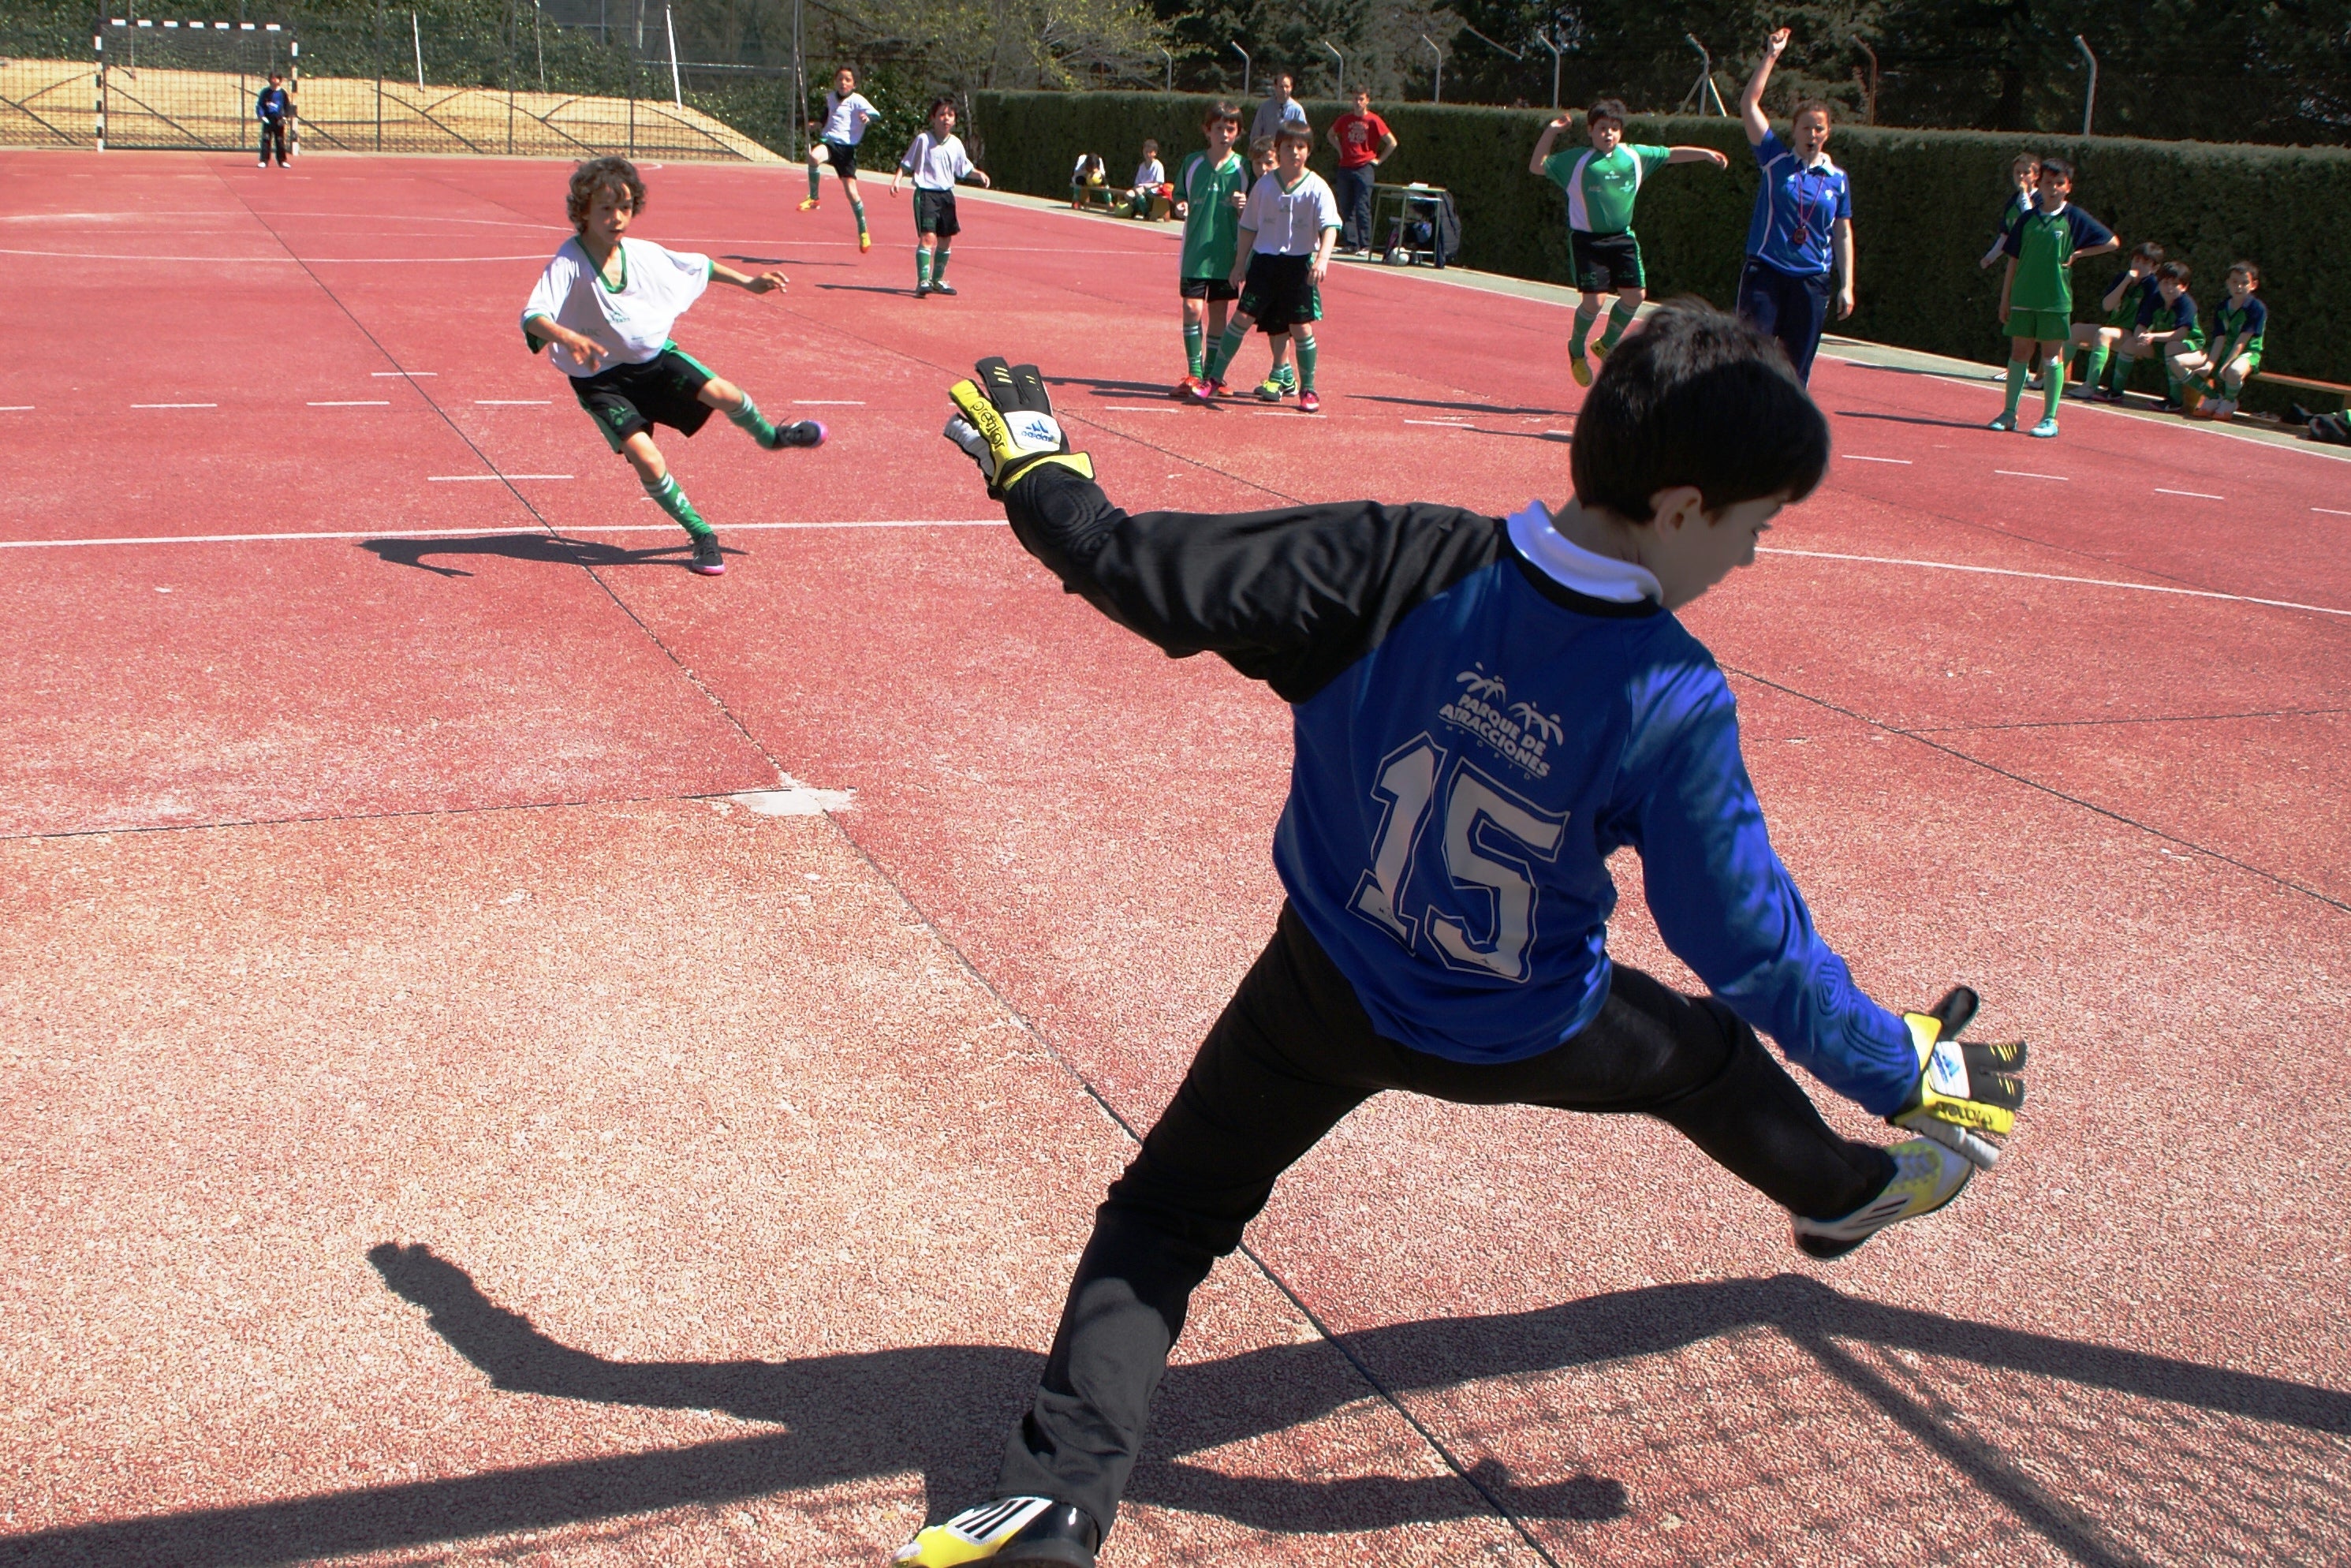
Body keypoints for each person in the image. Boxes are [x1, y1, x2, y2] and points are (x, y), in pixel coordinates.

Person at [904, 308, 2029, 1568]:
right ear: (1677, 505)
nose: (1753, 556)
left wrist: (1041, 470)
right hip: (1526, 1028)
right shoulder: (1668, 688)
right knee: (1705, 1056)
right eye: (1753, 525)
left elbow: (1130, 568)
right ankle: (1849, 1194)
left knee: (1167, 1216)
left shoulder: (1398, 559)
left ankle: (1052, 1510)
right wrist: (1900, 1069)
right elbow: (1754, 949)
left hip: (1323, 988)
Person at [522, 158, 825, 578]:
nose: (617, 218)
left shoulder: (642, 254)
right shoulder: (569, 260)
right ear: (583, 212)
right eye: (606, 209)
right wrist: (568, 336)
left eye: (625, 208)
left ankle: (772, 438)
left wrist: (749, 283)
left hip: (654, 362)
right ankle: (701, 533)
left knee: (727, 395)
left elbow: (700, 266)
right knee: (646, 459)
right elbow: (533, 316)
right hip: (602, 382)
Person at [1530, 99, 1728, 386]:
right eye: (1601, 128)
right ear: (1590, 131)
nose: (1608, 134)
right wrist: (1551, 131)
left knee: (1636, 295)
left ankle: (1606, 344)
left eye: (1614, 128)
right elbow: (1537, 166)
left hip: (1622, 239)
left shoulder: (1634, 156)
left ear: (1621, 132)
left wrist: (1706, 154)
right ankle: (1576, 348)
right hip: (1588, 240)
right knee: (1594, 300)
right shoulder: (1577, 161)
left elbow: (1671, 154)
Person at [1189, 123, 1340, 413]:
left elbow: (1330, 226)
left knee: (1300, 326)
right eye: (1287, 147)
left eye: (1300, 147)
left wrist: (1322, 258)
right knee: (1242, 318)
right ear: (1278, 150)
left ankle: (1308, 389)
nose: (1293, 153)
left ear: (1308, 151)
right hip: (1265, 263)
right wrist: (1239, 265)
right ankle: (1213, 379)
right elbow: (1248, 227)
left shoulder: (1317, 186)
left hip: (1299, 266)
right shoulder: (1265, 185)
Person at [1734, 28, 1853, 382]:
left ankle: (1782, 433)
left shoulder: (1838, 179)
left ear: (1827, 132)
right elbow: (1748, 105)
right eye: (1806, 128)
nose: (1812, 134)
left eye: (1819, 129)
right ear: (1795, 130)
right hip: (1766, 273)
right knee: (1747, 357)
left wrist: (1847, 284)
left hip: (1811, 281)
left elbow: (1842, 233)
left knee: (1795, 369)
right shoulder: (1774, 159)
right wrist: (1771, 55)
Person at [1990, 157, 2118, 436]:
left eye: (2060, 183)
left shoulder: (2073, 217)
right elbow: (2012, 259)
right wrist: (2005, 298)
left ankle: (2050, 418)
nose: (2054, 188)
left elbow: (2111, 242)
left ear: (2068, 187)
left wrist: (2078, 253)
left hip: (2055, 301)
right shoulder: (2026, 219)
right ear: (2040, 184)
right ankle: (2009, 413)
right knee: (2019, 353)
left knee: (2051, 356)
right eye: (2049, 183)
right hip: (2023, 298)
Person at [1173, 102, 1251, 398]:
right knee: (1193, 309)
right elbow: (1180, 195)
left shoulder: (1244, 168)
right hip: (1195, 253)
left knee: (1219, 314)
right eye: (1219, 128)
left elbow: (1254, 211)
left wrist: (1244, 208)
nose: (1225, 134)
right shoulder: (1192, 162)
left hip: (1225, 256)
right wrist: (1180, 205)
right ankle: (1193, 372)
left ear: (1238, 133)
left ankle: (1212, 374)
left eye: (1230, 129)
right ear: (1207, 130)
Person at [891, 97, 991, 297]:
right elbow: (907, 163)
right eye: (941, 115)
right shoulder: (923, 139)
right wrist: (897, 179)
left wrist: (978, 174)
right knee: (928, 237)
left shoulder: (955, 144)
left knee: (945, 240)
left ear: (954, 120)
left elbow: (963, 169)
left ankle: (937, 280)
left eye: (950, 115)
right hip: (927, 194)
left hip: (946, 196)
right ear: (933, 118)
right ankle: (923, 281)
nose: (946, 119)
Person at [2070, 241, 2163, 401]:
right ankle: (2051, 378)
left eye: (2145, 263)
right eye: (2136, 260)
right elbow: (2107, 306)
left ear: (2154, 268)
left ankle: (2090, 386)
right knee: (2076, 329)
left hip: (2134, 336)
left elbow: (2146, 319)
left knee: (2103, 333)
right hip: (2116, 329)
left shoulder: (2153, 285)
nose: (2138, 266)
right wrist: (2126, 281)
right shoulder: (2122, 278)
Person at [799, 65, 877, 254]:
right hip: (830, 143)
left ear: (854, 84)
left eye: (847, 80)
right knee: (813, 157)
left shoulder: (857, 100)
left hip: (847, 150)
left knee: (851, 193)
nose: (843, 83)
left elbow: (876, 114)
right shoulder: (831, 98)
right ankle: (814, 198)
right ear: (835, 81)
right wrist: (817, 124)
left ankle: (863, 231)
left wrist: (868, 117)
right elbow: (827, 117)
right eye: (840, 79)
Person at [2173, 261, 2265, 420]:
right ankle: (2213, 397)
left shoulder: (2257, 308)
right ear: (2227, 283)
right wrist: (2210, 364)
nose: (2239, 287)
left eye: (2245, 283)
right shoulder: (2222, 307)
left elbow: (2242, 342)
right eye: (2235, 282)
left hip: (2247, 353)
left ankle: (2229, 402)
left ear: (2254, 285)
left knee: (2234, 371)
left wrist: (2226, 364)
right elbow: (2219, 339)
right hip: (2222, 351)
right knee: (2176, 361)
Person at [2110, 260, 2204, 411]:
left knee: (2171, 347)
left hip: (2190, 346)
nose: (2169, 288)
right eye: (2165, 283)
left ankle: (2175, 401)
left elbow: (2181, 334)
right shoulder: (2155, 299)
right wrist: (2140, 336)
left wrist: (2153, 337)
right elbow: (2141, 324)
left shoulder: (2186, 304)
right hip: (2161, 343)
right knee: (2129, 344)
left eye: (2175, 284)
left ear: (2184, 287)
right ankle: (2115, 392)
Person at [1327, 88, 1398, 256]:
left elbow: (1392, 142)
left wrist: (1378, 160)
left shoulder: (1374, 120)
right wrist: (1340, 150)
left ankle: (1366, 245)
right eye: (1355, 99)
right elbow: (1330, 135)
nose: (1358, 103)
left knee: (1362, 206)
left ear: (1367, 101)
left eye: (1361, 99)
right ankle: (1351, 243)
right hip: (1345, 167)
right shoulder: (1345, 119)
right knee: (1346, 206)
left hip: (1364, 168)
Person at [1978, 152, 2039, 269]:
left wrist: (2025, 195)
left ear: (2036, 176)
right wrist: (1990, 257)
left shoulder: (2042, 199)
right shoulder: (2012, 202)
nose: (2021, 176)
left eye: (2026, 173)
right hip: (2018, 263)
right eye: (2017, 172)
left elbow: (2031, 221)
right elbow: (2006, 236)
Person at [1249, 70, 1308, 146]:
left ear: (1291, 88)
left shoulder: (1297, 110)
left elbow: (1303, 135)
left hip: (1288, 152)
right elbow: (1256, 133)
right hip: (1269, 151)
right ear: (1276, 87)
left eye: (1287, 87)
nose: (1284, 90)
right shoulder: (1265, 108)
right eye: (1281, 87)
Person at [255, 71, 292, 168]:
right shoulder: (265, 92)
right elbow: (260, 105)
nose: (274, 80)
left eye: (277, 78)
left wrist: (285, 117)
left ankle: (282, 161)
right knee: (266, 140)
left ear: (280, 80)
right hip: (268, 119)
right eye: (272, 78)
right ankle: (264, 160)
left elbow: (287, 106)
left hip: (279, 120)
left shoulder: (282, 93)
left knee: (280, 141)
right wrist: (261, 116)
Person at [1126, 139, 1166, 217]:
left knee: (1138, 192)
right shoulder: (1142, 166)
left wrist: (1147, 186)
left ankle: (1146, 213)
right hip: (1142, 188)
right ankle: (1136, 209)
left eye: (1150, 152)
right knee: (1128, 195)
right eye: (1145, 152)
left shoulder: (1158, 165)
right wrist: (1137, 187)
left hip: (1155, 189)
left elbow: (1160, 182)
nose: (1147, 154)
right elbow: (1137, 182)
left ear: (1155, 153)